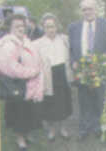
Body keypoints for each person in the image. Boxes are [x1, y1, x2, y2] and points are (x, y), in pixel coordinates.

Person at [68, 0, 106, 140]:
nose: (87, 12)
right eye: (84, 10)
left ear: (96, 9)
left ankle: (97, 127)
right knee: (83, 100)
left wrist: (103, 59)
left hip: (99, 71)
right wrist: (73, 62)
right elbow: (70, 50)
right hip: (82, 73)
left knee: (98, 99)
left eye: (90, 9)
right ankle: (84, 128)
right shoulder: (73, 27)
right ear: (81, 11)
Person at [0, 14, 44, 151]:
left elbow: (36, 59)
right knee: (19, 114)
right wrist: (33, 72)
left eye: (23, 25)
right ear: (10, 28)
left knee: (28, 113)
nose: (21, 28)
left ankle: (27, 134)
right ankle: (20, 139)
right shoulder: (8, 45)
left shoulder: (26, 41)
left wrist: (37, 68)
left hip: (30, 86)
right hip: (18, 86)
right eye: (17, 26)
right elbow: (11, 69)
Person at [33, 13, 73, 141]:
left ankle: (63, 128)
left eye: (53, 26)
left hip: (63, 74)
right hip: (48, 77)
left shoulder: (65, 39)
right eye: (47, 27)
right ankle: (51, 130)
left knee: (65, 103)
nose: (50, 29)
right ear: (43, 28)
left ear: (57, 26)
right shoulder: (37, 44)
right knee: (50, 104)